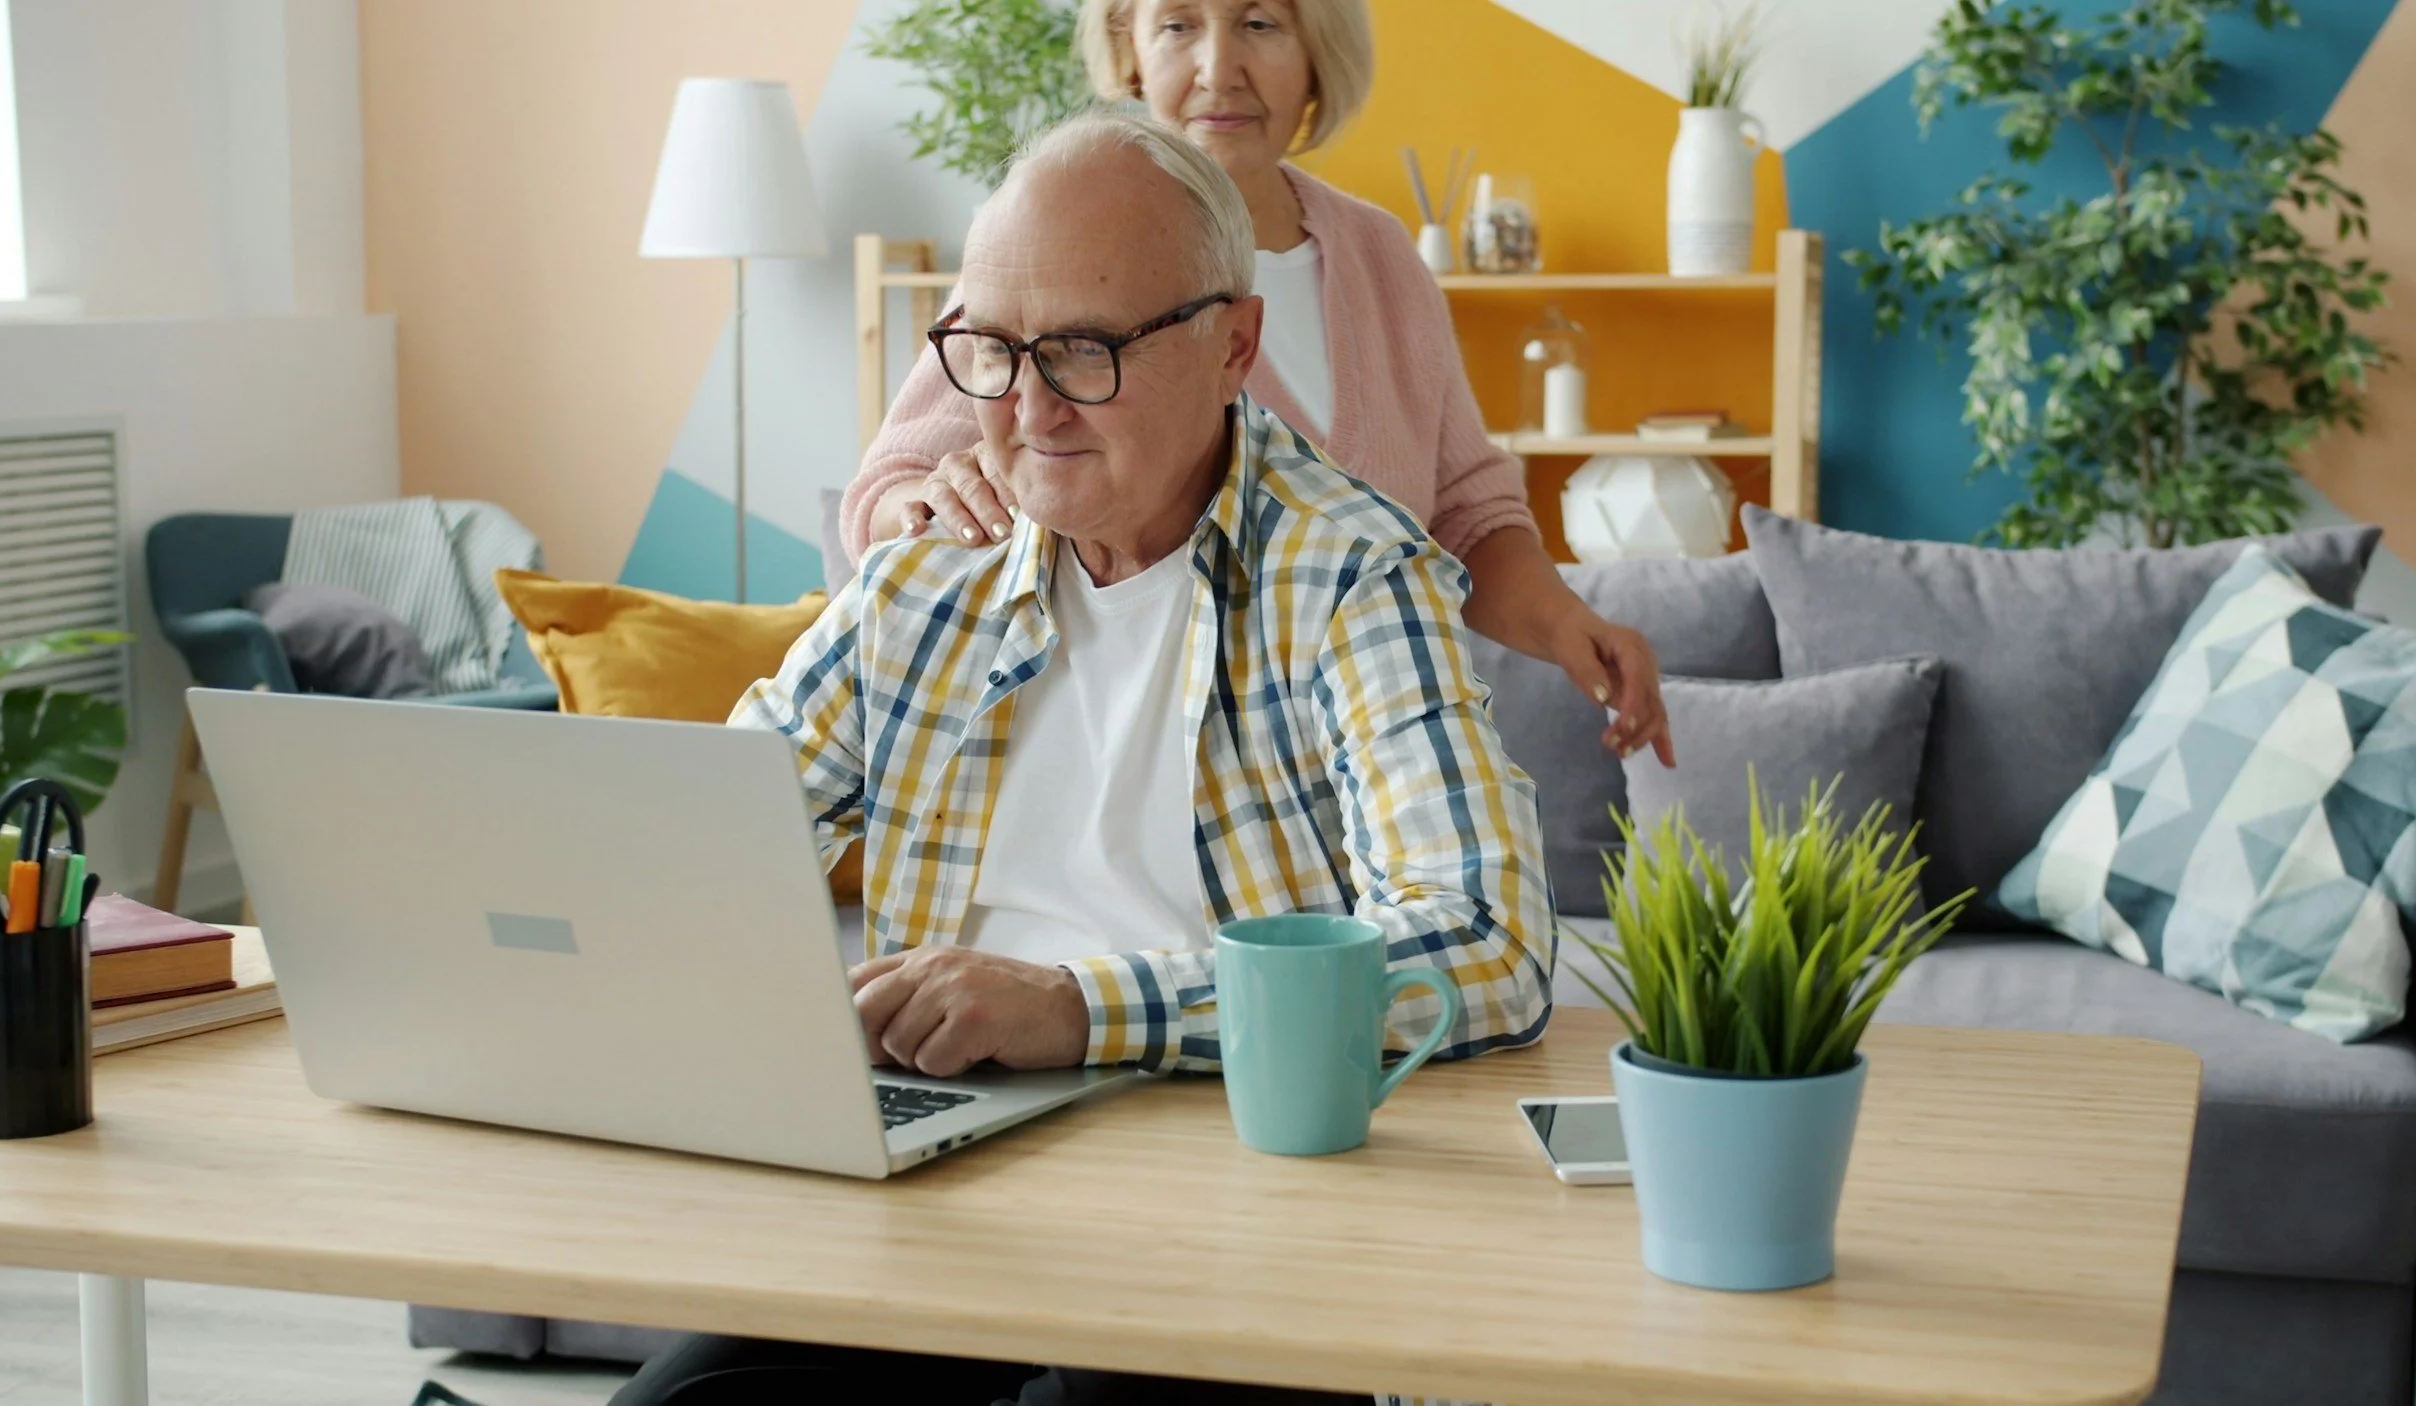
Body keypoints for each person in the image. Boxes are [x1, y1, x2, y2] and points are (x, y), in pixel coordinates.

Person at [616, 110, 1550, 1405]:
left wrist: (1073, 1006)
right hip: (944, 1188)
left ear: (1234, 344)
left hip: (1235, 1212)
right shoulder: (927, 580)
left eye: (1087, 352)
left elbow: (1488, 942)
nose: (1029, 407)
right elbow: (695, 835)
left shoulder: (1351, 574)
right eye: (993, 353)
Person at [840, 0, 1672, 765]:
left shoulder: (1382, 260)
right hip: (1136, 785)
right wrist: (932, 507)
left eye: (1261, 22)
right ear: (1129, 46)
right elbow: (887, 490)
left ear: (1319, 50)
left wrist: (1572, 626)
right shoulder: (1054, 249)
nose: (1217, 67)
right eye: (1177, 25)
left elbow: (1466, 516)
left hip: (1374, 776)